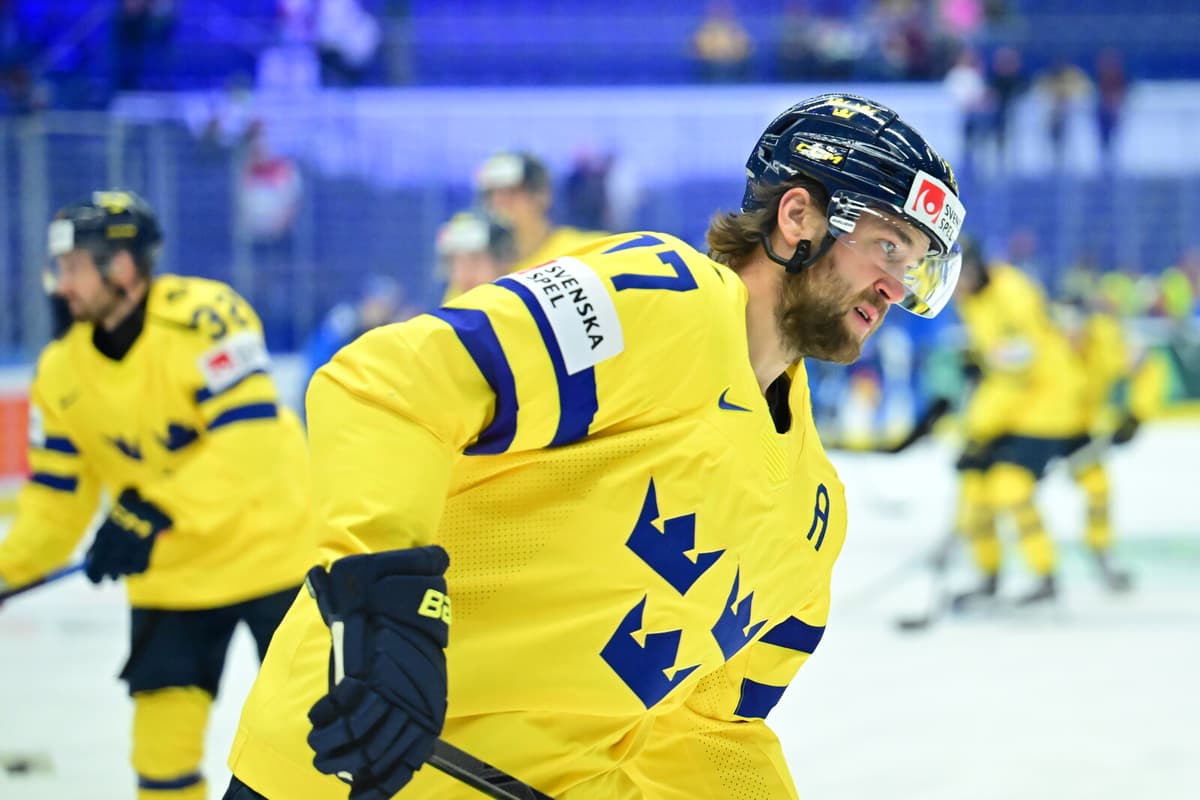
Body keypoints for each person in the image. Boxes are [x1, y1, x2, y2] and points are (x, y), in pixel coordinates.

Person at [224, 93, 966, 799]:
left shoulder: (815, 514)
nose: (897, 287)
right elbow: (389, 385)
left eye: (915, 266)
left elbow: (711, 726)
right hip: (350, 763)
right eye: (887, 246)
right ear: (799, 216)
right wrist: (384, 603)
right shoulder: (661, 300)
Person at [0, 190, 315, 800]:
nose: (59, 284)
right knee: (161, 757)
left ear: (121, 267)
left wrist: (154, 509)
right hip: (174, 579)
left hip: (277, 558)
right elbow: (56, 499)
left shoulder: (206, 318)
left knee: (316, 738)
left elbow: (249, 446)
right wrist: (9, 572)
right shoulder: (60, 372)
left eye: (71, 268)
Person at [950, 242, 1090, 606]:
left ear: (976, 267)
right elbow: (998, 359)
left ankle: (1045, 575)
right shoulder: (971, 299)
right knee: (976, 487)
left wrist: (979, 429)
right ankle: (989, 574)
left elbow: (1022, 362)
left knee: (1009, 487)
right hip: (1013, 405)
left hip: (1045, 406)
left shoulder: (1011, 290)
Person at [450, 150, 606, 299]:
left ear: (542, 195)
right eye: (491, 194)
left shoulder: (587, 251)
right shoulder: (476, 272)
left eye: (512, 192)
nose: (500, 203)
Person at [300, 273, 408, 408]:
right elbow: (319, 356)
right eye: (379, 305)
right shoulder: (346, 319)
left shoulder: (385, 328)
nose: (380, 312)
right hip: (324, 390)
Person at [434, 208, 517, 298]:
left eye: (475, 259)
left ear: (502, 262)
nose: (465, 272)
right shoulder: (453, 299)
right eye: (457, 262)